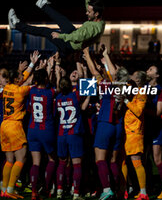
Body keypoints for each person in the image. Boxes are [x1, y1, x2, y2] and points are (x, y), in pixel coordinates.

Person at [83, 47, 127, 200]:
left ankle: (107, 190)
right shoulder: (125, 86)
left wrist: (88, 55)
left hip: (105, 123)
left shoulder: (107, 84)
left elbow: (95, 72)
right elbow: (111, 73)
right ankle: (118, 190)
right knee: (114, 160)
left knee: (100, 159)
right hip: (118, 125)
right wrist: (105, 60)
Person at [8, 0, 105, 56]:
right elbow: (91, 11)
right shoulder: (99, 20)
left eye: (89, 12)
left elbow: (77, 37)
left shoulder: (93, 28)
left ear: (96, 14)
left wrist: (60, 36)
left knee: (45, 31)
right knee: (62, 19)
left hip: (69, 45)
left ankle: (16, 25)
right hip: (73, 35)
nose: (86, 12)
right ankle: (43, 4)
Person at [0, 50, 40, 199]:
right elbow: (30, 83)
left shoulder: (7, 88)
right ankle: (10, 190)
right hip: (14, 126)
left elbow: (20, 78)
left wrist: (29, 65)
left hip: (4, 126)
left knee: (9, 159)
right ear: (17, 80)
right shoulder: (20, 91)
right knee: (21, 157)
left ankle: (4, 189)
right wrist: (36, 68)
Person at [26, 57, 58, 200]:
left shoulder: (31, 91)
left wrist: (40, 68)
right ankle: (45, 187)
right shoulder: (50, 92)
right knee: (52, 159)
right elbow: (53, 85)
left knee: (35, 162)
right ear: (45, 79)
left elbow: (31, 81)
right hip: (47, 130)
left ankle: (34, 191)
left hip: (32, 129)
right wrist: (51, 68)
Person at [54, 76, 90, 200]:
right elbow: (88, 85)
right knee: (77, 164)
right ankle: (76, 193)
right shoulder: (75, 96)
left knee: (62, 163)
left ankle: (59, 190)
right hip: (74, 133)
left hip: (61, 134)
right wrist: (84, 73)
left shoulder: (57, 98)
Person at [121, 71, 149, 200]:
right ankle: (124, 190)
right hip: (125, 131)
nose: (130, 77)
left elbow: (138, 111)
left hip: (135, 132)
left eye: (133, 75)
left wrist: (126, 100)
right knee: (123, 162)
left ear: (138, 79)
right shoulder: (130, 90)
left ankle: (143, 192)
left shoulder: (142, 93)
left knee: (136, 162)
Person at [144, 65, 162, 199]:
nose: (147, 70)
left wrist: (141, 110)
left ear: (157, 75)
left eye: (151, 69)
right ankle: (148, 186)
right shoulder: (143, 87)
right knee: (143, 158)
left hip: (155, 127)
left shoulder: (160, 90)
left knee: (157, 158)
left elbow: (158, 112)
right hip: (143, 127)